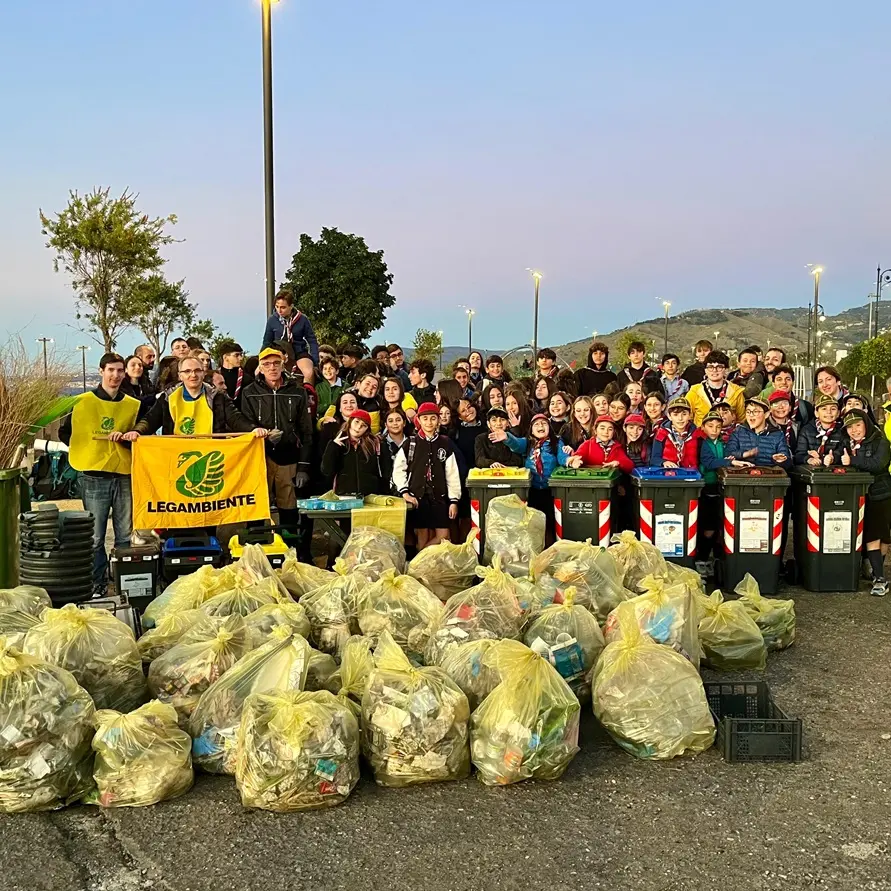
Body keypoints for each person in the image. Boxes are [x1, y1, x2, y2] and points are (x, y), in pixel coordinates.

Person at [59, 352, 141, 597]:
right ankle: (97, 583)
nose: (116, 375)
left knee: (125, 535)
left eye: (120, 371)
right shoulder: (81, 402)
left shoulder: (132, 404)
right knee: (95, 537)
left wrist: (126, 440)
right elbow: (67, 434)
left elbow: (139, 437)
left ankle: (125, 583)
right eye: (111, 370)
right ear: (102, 371)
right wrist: (87, 448)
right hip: (93, 476)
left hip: (123, 473)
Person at [240, 347, 314, 533]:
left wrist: (304, 466)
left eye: (276, 363)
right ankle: (255, 549)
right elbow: (244, 425)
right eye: (266, 364)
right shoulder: (249, 392)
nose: (272, 368)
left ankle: (289, 551)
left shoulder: (298, 391)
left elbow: (306, 431)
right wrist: (263, 437)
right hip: (259, 457)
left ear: (283, 365)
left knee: (288, 506)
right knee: (256, 505)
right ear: (260, 367)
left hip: (289, 456)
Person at [135, 356, 268, 438]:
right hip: (176, 456)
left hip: (210, 455)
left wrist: (253, 429)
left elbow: (235, 419)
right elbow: (150, 420)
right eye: (187, 371)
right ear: (180, 376)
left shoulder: (217, 397)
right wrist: (137, 432)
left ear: (203, 374)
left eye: (197, 370)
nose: (193, 375)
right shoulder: (167, 397)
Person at [836, 409, 891, 595]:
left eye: (858, 425)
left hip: (880, 493)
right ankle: (879, 576)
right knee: (871, 536)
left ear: (866, 424)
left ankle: (877, 572)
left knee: (882, 536)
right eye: (850, 427)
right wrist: (830, 458)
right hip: (857, 494)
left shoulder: (880, 441)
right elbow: (838, 456)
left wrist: (852, 460)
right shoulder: (846, 442)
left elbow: (878, 464)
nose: (854, 430)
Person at [392, 403, 461, 550]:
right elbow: (398, 470)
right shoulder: (410, 443)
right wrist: (404, 492)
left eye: (432, 418)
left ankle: (419, 560)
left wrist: (454, 500)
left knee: (443, 536)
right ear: (419, 420)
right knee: (422, 536)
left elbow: (452, 473)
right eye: (425, 419)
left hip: (439, 497)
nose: (429, 422)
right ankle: (422, 569)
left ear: (438, 420)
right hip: (418, 497)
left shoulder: (445, 443)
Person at [495, 413, 570, 541]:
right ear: (531, 429)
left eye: (544, 423)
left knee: (552, 521)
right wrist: (507, 437)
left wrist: (570, 460)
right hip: (532, 489)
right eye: (536, 424)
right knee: (534, 521)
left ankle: (552, 545)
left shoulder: (556, 442)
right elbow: (517, 444)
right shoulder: (528, 443)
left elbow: (562, 456)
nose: (540, 426)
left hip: (551, 490)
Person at [321, 409, 391, 497]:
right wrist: (333, 446)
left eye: (364, 425)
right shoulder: (337, 444)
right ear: (350, 422)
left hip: (371, 497)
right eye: (356, 422)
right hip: (344, 496)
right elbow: (326, 471)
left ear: (367, 429)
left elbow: (386, 472)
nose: (358, 427)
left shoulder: (376, 444)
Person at [261, 288, 319, 383]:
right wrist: (261, 357)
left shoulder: (302, 319)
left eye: (283, 307)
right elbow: (267, 341)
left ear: (291, 306)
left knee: (308, 372)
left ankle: (309, 396)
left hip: (298, 352)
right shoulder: (272, 319)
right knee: (258, 372)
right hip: (277, 352)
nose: (279, 310)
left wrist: (315, 361)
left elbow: (312, 340)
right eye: (277, 307)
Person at [697, 409, 730, 572]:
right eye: (710, 426)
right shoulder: (702, 443)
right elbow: (709, 463)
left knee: (720, 524)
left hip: (722, 485)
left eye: (718, 427)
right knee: (707, 525)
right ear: (703, 427)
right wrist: (727, 462)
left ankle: (718, 559)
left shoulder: (723, 443)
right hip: (707, 485)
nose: (714, 430)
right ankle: (702, 558)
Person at [727, 396, 792, 468]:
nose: (751, 415)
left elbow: (787, 461)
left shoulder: (777, 434)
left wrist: (780, 460)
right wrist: (745, 454)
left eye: (755, 412)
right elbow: (728, 453)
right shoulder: (738, 431)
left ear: (766, 414)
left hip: (769, 475)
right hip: (743, 474)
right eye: (748, 412)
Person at [687, 350, 745, 426]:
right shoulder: (695, 391)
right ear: (705, 370)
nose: (714, 370)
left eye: (719, 367)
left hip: (730, 436)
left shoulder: (736, 391)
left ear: (726, 370)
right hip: (702, 435)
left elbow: (741, 419)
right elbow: (687, 417)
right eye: (710, 367)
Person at [567, 415, 633, 472]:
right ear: (595, 430)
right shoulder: (587, 444)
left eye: (610, 429)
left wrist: (618, 463)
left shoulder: (616, 447)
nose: (606, 432)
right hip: (591, 480)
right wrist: (575, 460)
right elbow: (578, 455)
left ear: (613, 432)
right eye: (602, 428)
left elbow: (629, 465)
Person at [794, 393, 845, 466]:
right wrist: (809, 459)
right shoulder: (806, 430)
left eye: (833, 409)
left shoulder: (842, 430)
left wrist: (832, 458)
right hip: (812, 471)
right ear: (816, 413)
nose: (829, 412)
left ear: (838, 413)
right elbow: (799, 455)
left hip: (835, 472)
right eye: (824, 409)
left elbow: (843, 452)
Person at [651, 397, 700, 469]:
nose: (680, 418)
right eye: (675, 415)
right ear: (669, 416)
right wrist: (663, 462)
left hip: (691, 474)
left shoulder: (697, 434)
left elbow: (701, 458)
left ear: (689, 415)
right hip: (668, 474)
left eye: (684, 414)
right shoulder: (661, 433)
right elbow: (654, 459)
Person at [218, 341, 246, 409]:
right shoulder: (216, 377)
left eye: (241, 355)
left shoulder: (246, 378)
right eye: (236, 355)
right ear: (225, 357)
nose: (240, 358)